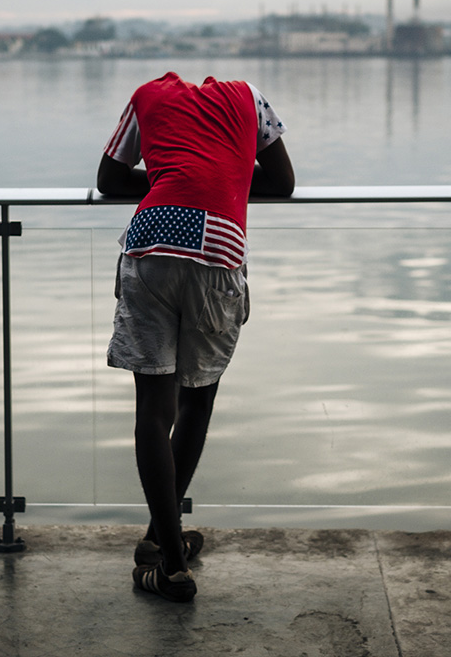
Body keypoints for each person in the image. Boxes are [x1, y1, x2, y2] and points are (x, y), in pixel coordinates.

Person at [96, 71, 295, 602]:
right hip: (217, 252)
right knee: (197, 403)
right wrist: (226, 173)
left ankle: (164, 547)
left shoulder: (146, 97)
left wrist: (165, 178)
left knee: (152, 412)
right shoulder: (250, 98)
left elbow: (109, 180)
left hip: (151, 241)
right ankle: (169, 555)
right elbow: (283, 183)